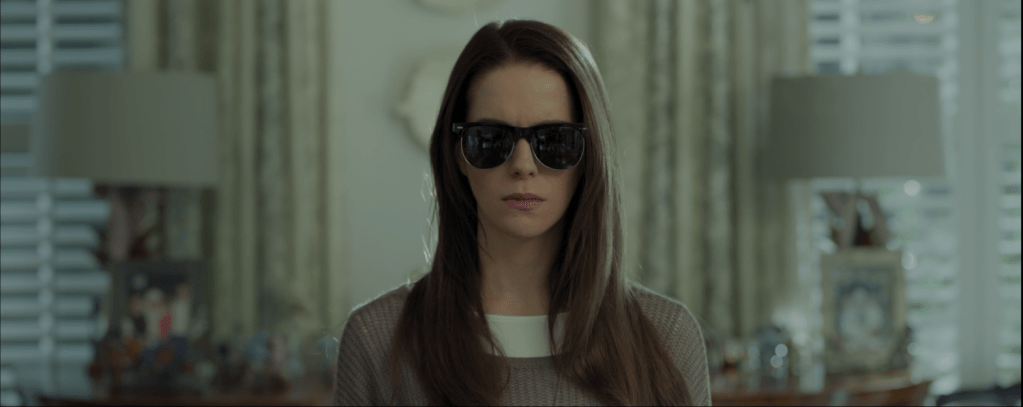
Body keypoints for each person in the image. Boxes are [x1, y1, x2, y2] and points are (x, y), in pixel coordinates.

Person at [334, 19, 710, 406]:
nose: (523, 165)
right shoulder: (376, 340)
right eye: (491, 139)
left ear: (590, 156)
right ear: (458, 155)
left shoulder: (669, 338)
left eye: (555, 140)